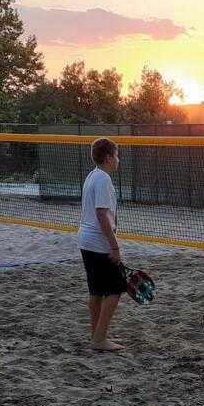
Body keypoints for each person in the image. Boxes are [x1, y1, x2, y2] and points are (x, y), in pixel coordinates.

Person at [78, 138, 126, 351]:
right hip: (98, 241)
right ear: (108, 157)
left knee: (96, 291)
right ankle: (99, 339)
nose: (118, 159)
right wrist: (114, 247)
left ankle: (96, 335)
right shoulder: (103, 179)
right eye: (116, 155)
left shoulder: (92, 175)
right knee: (115, 289)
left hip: (86, 239)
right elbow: (101, 214)